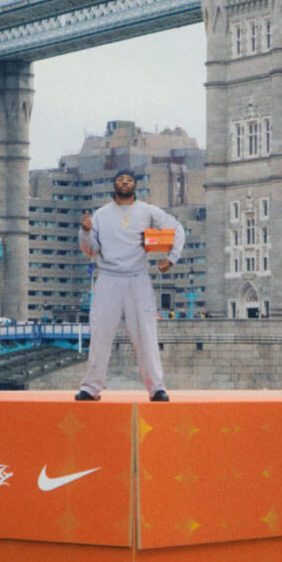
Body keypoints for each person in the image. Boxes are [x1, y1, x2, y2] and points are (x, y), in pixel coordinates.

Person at [75, 168, 185, 402]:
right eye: (120, 180)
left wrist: (172, 258)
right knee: (100, 333)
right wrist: (85, 232)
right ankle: (91, 387)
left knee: (146, 333)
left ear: (135, 186)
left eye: (129, 180)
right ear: (113, 185)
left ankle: (156, 388)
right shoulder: (101, 215)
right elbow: (91, 250)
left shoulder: (147, 211)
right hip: (109, 278)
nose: (124, 183)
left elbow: (177, 228)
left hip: (138, 278)